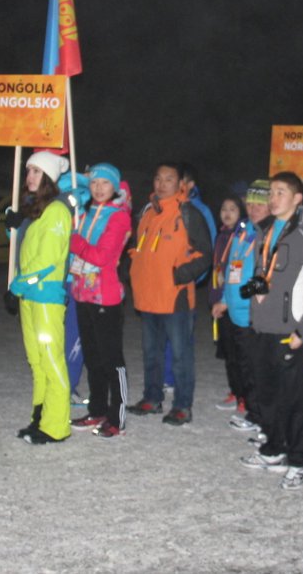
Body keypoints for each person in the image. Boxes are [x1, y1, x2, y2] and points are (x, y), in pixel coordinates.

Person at [239, 172, 303, 490]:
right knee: (266, 396)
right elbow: (262, 274)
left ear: (297, 199)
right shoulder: (264, 230)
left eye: (281, 192)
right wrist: (248, 297)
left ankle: (300, 459)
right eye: (272, 192)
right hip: (262, 327)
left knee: (293, 400)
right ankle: (274, 449)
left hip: (289, 331)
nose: (273, 198)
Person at [127, 162, 212, 425]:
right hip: (147, 296)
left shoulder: (188, 213)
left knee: (179, 354)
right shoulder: (148, 213)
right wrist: (134, 274)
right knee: (151, 352)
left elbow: (204, 254)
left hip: (173, 297)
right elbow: (136, 248)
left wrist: (178, 276)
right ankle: (152, 398)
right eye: (158, 179)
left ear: (180, 185)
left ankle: (182, 406)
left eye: (169, 179)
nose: (162, 184)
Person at [7, 151, 74, 444]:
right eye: (28, 171)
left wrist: (18, 286)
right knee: (36, 360)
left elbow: (46, 262)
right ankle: (40, 417)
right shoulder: (36, 210)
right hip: (29, 296)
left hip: (45, 297)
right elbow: (26, 250)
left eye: (36, 172)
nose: (29, 177)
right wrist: (14, 227)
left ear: (48, 177)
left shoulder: (57, 211)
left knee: (51, 360)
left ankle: (56, 425)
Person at [67, 163, 132, 438]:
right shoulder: (84, 213)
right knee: (93, 358)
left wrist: (74, 241)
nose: (98, 188)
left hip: (105, 295)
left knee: (111, 359)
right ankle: (97, 410)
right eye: (94, 183)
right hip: (82, 292)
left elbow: (101, 256)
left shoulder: (119, 217)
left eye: (105, 183)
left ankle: (117, 417)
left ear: (115, 187)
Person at [214, 180, 270, 439]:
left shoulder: (270, 233)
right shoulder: (243, 230)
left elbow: (266, 278)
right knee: (245, 367)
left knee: (259, 370)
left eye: (260, 203)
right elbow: (232, 269)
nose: (254, 208)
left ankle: (264, 417)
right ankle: (254, 413)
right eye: (250, 203)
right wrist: (226, 299)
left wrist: (244, 295)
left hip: (255, 313)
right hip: (236, 311)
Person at [210, 194, 246, 411]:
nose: (227, 212)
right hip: (220, 298)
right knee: (228, 353)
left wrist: (227, 297)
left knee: (239, 353)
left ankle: (244, 395)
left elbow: (236, 268)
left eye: (233, 208)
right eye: (224, 208)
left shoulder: (241, 237)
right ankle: (235, 390)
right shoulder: (221, 235)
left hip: (234, 301)